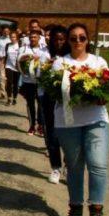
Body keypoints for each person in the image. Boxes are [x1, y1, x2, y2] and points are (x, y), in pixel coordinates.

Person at [52, 23, 109, 216]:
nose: (78, 42)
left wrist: (102, 97)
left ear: (88, 40)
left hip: (96, 119)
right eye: (73, 38)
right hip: (69, 122)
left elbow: (107, 90)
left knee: (98, 165)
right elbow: (56, 93)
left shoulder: (98, 62)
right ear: (67, 41)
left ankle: (96, 211)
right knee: (75, 167)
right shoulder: (60, 64)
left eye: (82, 38)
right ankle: (76, 210)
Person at [42, 25, 69, 184]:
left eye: (62, 39)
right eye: (55, 39)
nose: (59, 42)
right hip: (49, 98)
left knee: (67, 133)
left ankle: (68, 165)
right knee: (52, 134)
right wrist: (45, 66)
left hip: (66, 100)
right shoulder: (45, 54)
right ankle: (56, 167)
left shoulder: (70, 56)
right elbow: (35, 73)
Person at [18, 29, 47, 135]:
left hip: (40, 81)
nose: (33, 39)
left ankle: (40, 125)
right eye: (31, 37)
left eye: (35, 37)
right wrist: (28, 57)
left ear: (39, 38)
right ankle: (31, 126)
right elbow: (19, 61)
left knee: (41, 104)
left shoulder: (44, 50)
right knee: (30, 104)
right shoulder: (23, 48)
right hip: (28, 81)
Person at [4, 32, 21, 105]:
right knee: (9, 82)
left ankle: (15, 98)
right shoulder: (8, 45)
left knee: (15, 83)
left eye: (14, 37)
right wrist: (4, 64)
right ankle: (9, 98)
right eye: (11, 37)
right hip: (9, 66)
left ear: (17, 38)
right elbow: (6, 55)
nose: (12, 39)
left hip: (17, 67)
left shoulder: (20, 45)